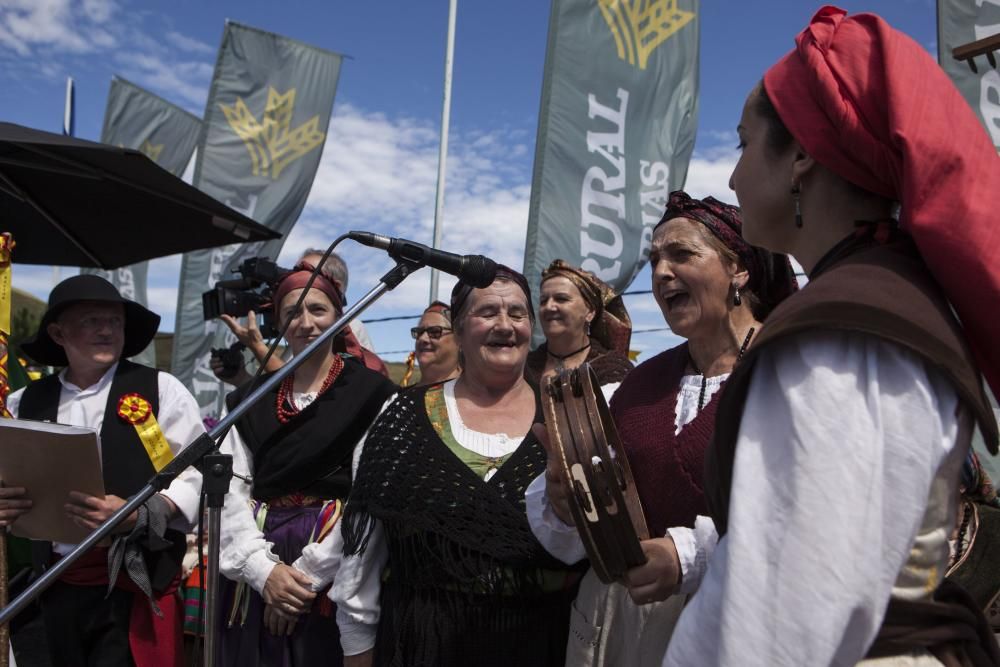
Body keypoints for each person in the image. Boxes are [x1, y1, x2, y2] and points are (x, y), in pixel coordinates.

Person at [631, 8, 1000, 665]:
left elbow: (781, 628)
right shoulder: (879, 297)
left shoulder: (837, 334)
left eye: (745, 144)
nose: (737, 177)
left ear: (801, 154)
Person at [527, 192, 797, 666]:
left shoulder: (791, 373)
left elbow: (812, 512)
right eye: (654, 259)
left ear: (739, 268)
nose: (661, 273)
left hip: (734, 627)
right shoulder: (634, 385)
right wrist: (564, 500)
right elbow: (581, 531)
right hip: (617, 625)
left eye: (682, 254)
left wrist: (692, 556)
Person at [334, 267, 585, 667]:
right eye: (488, 312)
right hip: (422, 642)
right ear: (459, 327)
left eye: (518, 314)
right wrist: (357, 649)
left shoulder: (570, 415)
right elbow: (362, 558)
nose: (505, 325)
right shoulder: (401, 418)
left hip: (541, 643)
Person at [3, 274, 204, 667]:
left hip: (134, 584)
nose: (106, 329)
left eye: (114, 320)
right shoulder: (24, 401)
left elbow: (194, 472)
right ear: (59, 334)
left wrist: (142, 513)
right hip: (51, 585)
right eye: (91, 320)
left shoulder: (160, 389)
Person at [218, 262, 396, 666]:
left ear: (339, 315)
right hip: (258, 564)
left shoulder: (371, 394)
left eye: (318, 309)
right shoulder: (249, 399)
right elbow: (231, 488)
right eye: (291, 312)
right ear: (278, 323)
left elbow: (368, 498)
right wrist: (265, 574)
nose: (305, 322)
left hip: (337, 567)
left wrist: (301, 582)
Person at [218, 249, 388, 381]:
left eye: (307, 272)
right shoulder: (298, 331)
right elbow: (286, 397)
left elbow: (319, 392)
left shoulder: (349, 328)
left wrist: (257, 347)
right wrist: (240, 379)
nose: (296, 277)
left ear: (335, 286)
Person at [525, 259, 633, 395]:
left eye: (561, 299)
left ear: (590, 312)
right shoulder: (523, 367)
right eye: (543, 301)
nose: (549, 307)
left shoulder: (613, 369)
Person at [400, 301, 461, 387]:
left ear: (458, 339)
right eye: (419, 332)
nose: (422, 338)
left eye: (434, 331)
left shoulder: (473, 396)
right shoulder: (396, 396)